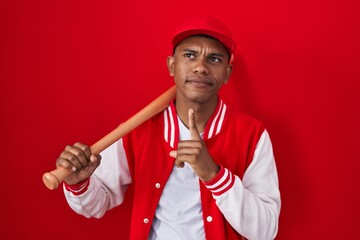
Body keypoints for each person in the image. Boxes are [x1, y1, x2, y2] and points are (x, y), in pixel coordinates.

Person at [57, 16, 281, 240]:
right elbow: (95, 205)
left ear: (227, 74)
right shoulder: (139, 130)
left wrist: (214, 175)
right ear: (172, 66)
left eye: (213, 59)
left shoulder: (252, 134)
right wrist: (79, 182)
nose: (201, 67)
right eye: (190, 55)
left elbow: (265, 231)